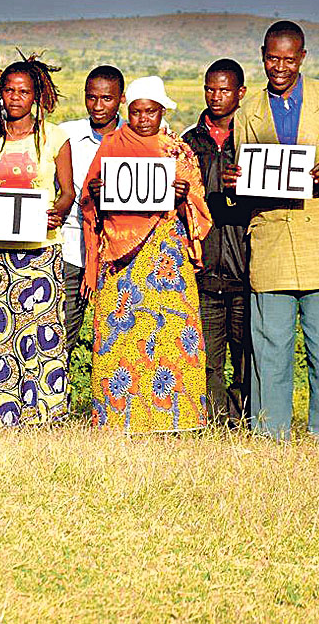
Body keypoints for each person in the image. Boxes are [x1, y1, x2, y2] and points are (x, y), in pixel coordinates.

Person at [224, 21, 319, 443]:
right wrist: (235, 184)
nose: (280, 67)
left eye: (289, 59)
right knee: (269, 348)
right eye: (273, 58)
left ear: (302, 57)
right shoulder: (247, 111)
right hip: (271, 240)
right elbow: (248, 177)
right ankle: (269, 435)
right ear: (262, 56)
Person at [82, 76, 212, 433]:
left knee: (170, 332)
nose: (142, 119)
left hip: (165, 253)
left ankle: (174, 418)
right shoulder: (112, 144)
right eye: (136, 112)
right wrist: (97, 191)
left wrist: (183, 197)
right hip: (120, 257)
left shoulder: (177, 151)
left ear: (162, 111)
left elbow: (199, 206)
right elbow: (89, 198)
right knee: (121, 335)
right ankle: (118, 416)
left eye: (150, 112)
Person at [0, 56, 75, 427]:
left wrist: (57, 212)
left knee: (42, 332)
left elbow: (67, 191)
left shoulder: (55, 137)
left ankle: (42, 412)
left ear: (36, 96)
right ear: (1, 94)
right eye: (9, 91)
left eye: (23, 92)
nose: (15, 97)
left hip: (42, 250)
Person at [181, 59, 251, 427]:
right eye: (210, 89)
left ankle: (244, 423)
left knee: (246, 357)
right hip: (204, 269)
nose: (216, 96)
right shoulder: (189, 143)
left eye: (224, 90)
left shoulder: (253, 140)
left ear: (241, 93)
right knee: (207, 359)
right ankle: (217, 425)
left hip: (246, 268)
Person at [58, 65, 124, 364]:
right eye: (91, 97)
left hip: (119, 250)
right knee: (64, 329)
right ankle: (58, 386)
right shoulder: (67, 135)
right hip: (73, 247)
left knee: (118, 333)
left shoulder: (134, 136)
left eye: (106, 98)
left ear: (121, 99)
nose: (98, 106)